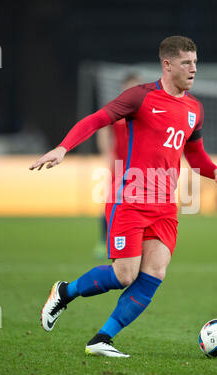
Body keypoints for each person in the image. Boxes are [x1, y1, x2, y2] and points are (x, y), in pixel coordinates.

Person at [30, 36, 217, 358]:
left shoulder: (195, 108)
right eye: (186, 62)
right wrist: (63, 148)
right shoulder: (140, 97)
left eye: (195, 62)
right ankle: (64, 292)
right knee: (125, 276)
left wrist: (216, 172)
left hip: (166, 206)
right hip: (131, 199)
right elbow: (98, 119)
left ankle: (102, 339)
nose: (193, 68)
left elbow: (195, 156)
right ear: (167, 65)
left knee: (154, 274)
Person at [93, 73, 141, 260]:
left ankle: (136, 243)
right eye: (129, 87)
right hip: (120, 166)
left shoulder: (144, 110)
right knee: (112, 203)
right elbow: (103, 131)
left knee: (141, 205)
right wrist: (107, 154)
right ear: (123, 88)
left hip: (142, 168)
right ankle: (103, 242)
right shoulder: (116, 109)